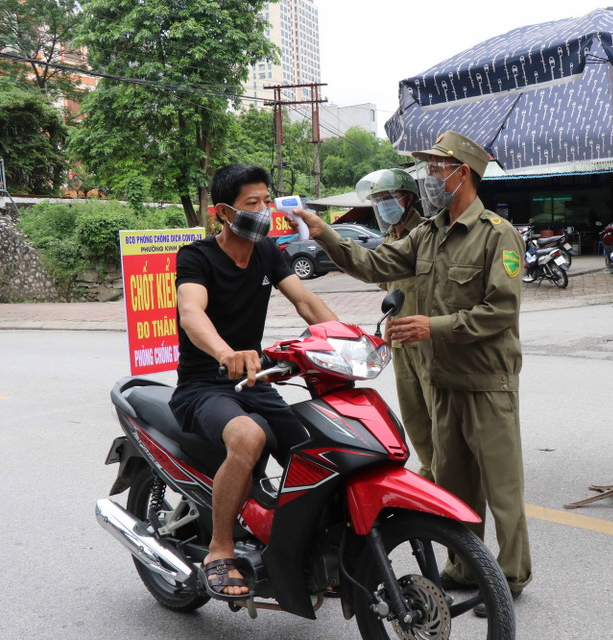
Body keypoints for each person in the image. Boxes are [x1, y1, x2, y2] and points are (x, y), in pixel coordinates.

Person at [292, 131, 532, 617]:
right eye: (425, 169)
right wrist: (325, 234)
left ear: (462, 173)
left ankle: (510, 577)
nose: (428, 177)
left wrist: (432, 326)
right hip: (442, 380)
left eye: (435, 169)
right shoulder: (427, 233)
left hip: (487, 380)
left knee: (501, 487)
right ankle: (466, 567)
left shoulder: (496, 234)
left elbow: (500, 311)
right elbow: (374, 262)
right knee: (455, 481)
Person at [168, 164, 337, 601]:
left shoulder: (267, 252)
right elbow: (192, 314)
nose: (263, 211)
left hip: (254, 378)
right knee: (248, 435)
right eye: (251, 204)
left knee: (313, 445)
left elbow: (305, 300)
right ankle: (220, 550)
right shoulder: (196, 257)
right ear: (222, 212)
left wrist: (345, 340)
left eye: (266, 200)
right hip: (204, 384)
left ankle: (304, 540)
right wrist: (225, 353)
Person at [355, 168, 435, 480]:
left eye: (387, 198)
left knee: (436, 416)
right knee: (414, 417)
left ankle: (444, 475)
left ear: (408, 198)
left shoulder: (426, 234)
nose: (383, 205)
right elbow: (388, 285)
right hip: (399, 341)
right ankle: (429, 472)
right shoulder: (389, 237)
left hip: (428, 340)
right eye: (377, 201)